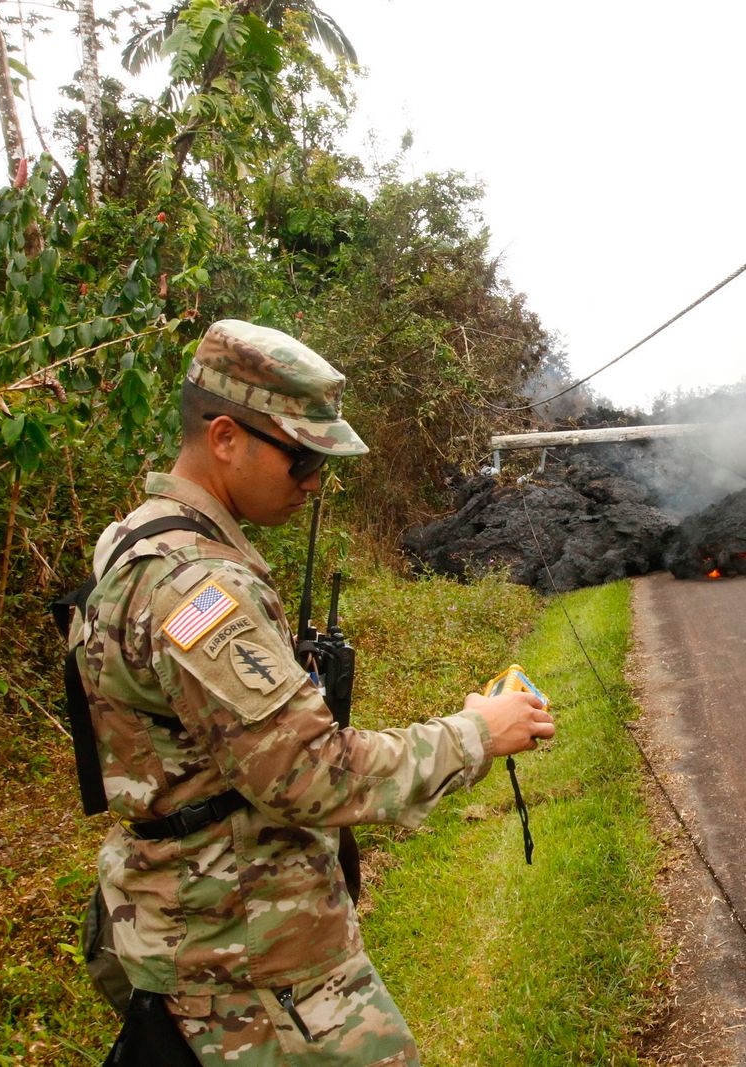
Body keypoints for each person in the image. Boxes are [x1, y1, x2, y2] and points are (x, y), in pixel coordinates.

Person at [77, 319, 554, 1064]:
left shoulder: (134, 540)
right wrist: (476, 732)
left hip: (191, 931)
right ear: (226, 437)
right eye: (301, 456)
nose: (313, 481)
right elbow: (313, 775)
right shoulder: (198, 586)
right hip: (246, 957)